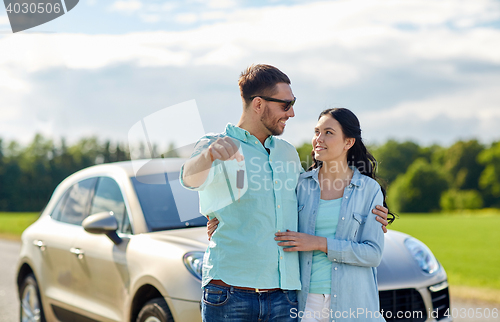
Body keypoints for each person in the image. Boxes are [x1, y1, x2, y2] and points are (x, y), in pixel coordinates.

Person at [181, 64, 389, 322]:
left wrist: (375, 214)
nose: (292, 113)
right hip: (230, 292)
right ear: (258, 104)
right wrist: (208, 157)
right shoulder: (217, 144)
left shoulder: (288, 154)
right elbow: (188, 179)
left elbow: (302, 204)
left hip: (284, 297)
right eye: (286, 104)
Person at [274, 108, 393, 321]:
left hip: (353, 303)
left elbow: (373, 254)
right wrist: (220, 220)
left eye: (328, 132)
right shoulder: (300, 185)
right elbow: (270, 215)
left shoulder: (368, 190)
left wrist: (320, 243)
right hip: (305, 304)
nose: (318, 139)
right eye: (317, 131)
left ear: (348, 142)